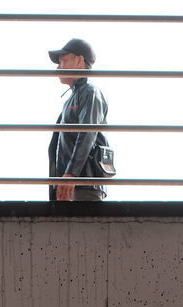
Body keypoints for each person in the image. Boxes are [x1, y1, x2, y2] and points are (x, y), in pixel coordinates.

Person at [48, 37, 109, 202]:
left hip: (83, 186)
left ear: (80, 61)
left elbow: (87, 134)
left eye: (63, 61)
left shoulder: (90, 92)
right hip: (73, 185)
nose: (58, 67)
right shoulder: (74, 97)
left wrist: (71, 175)